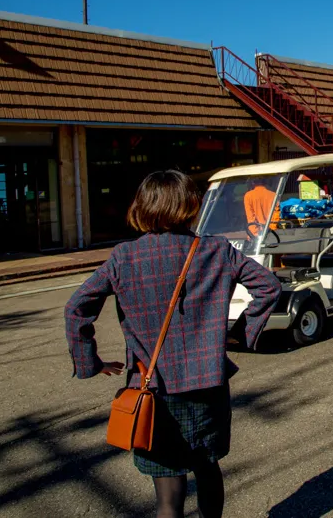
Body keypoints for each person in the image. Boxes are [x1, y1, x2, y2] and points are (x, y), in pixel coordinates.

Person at [64, 170, 281, 518]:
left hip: (152, 387)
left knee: (168, 492)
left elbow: (77, 308)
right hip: (208, 384)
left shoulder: (124, 257)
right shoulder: (216, 250)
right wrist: (241, 333)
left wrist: (91, 362)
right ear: (190, 206)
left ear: (142, 207)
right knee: (208, 468)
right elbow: (268, 286)